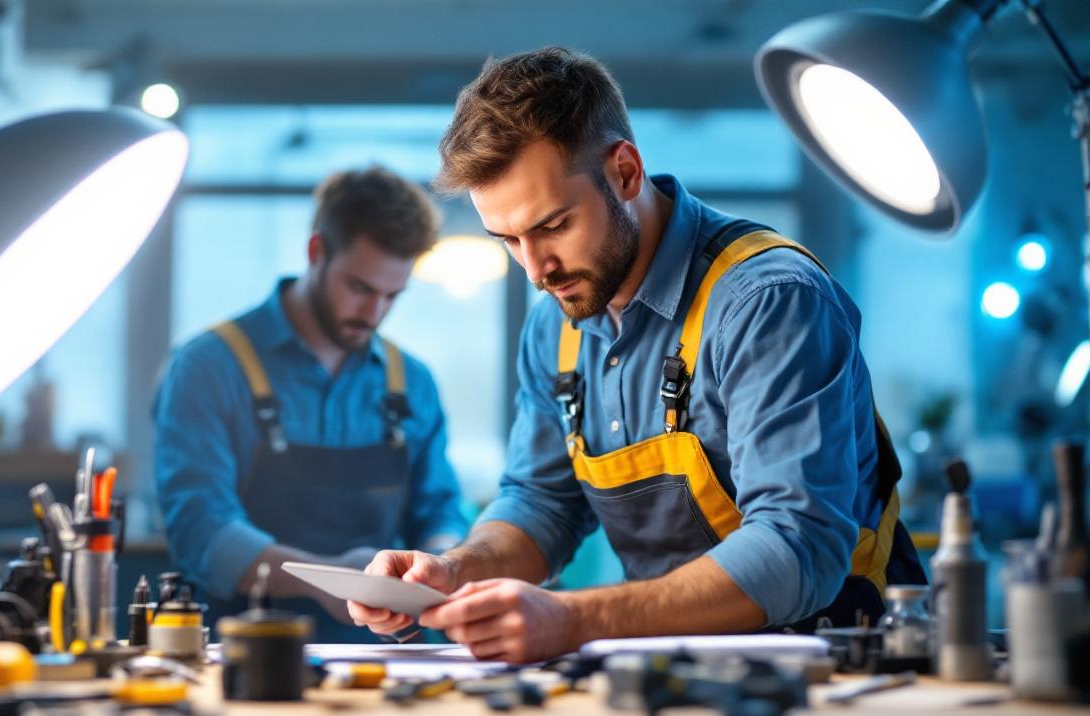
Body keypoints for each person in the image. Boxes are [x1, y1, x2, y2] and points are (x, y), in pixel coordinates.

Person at [349, 47, 925, 662]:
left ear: (624, 172)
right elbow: (543, 501)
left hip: (843, 673)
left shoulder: (767, 301)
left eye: (552, 225)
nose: (536, 269)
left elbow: (799, 543)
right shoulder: (558, 326)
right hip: (673, 669)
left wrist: (574, 619)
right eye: (509, 239)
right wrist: (453, 571)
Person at [154, 166, 469, 642]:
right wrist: (326, 578)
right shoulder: (209, 367)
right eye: (360, 288)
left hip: (390, 660)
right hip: (247, 655)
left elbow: (441, 511)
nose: (374, 313)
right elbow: (201, 530)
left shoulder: (413, 383)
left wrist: (435, 566)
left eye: (392, 295)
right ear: (316, 251)